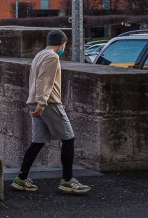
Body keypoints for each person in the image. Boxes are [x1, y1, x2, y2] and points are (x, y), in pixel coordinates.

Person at [11, 30, 91, 194]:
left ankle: (21, 178)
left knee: (38, 141)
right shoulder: (52, 57)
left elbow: (37, 79)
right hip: (49, 103)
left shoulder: (40, 55)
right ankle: (67, 180)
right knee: (69, 138)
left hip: (35, 102)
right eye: (65, 44)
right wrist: (42, 104)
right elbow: (44, 81)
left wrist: (37, 104)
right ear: (62, 43)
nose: (64, 47)